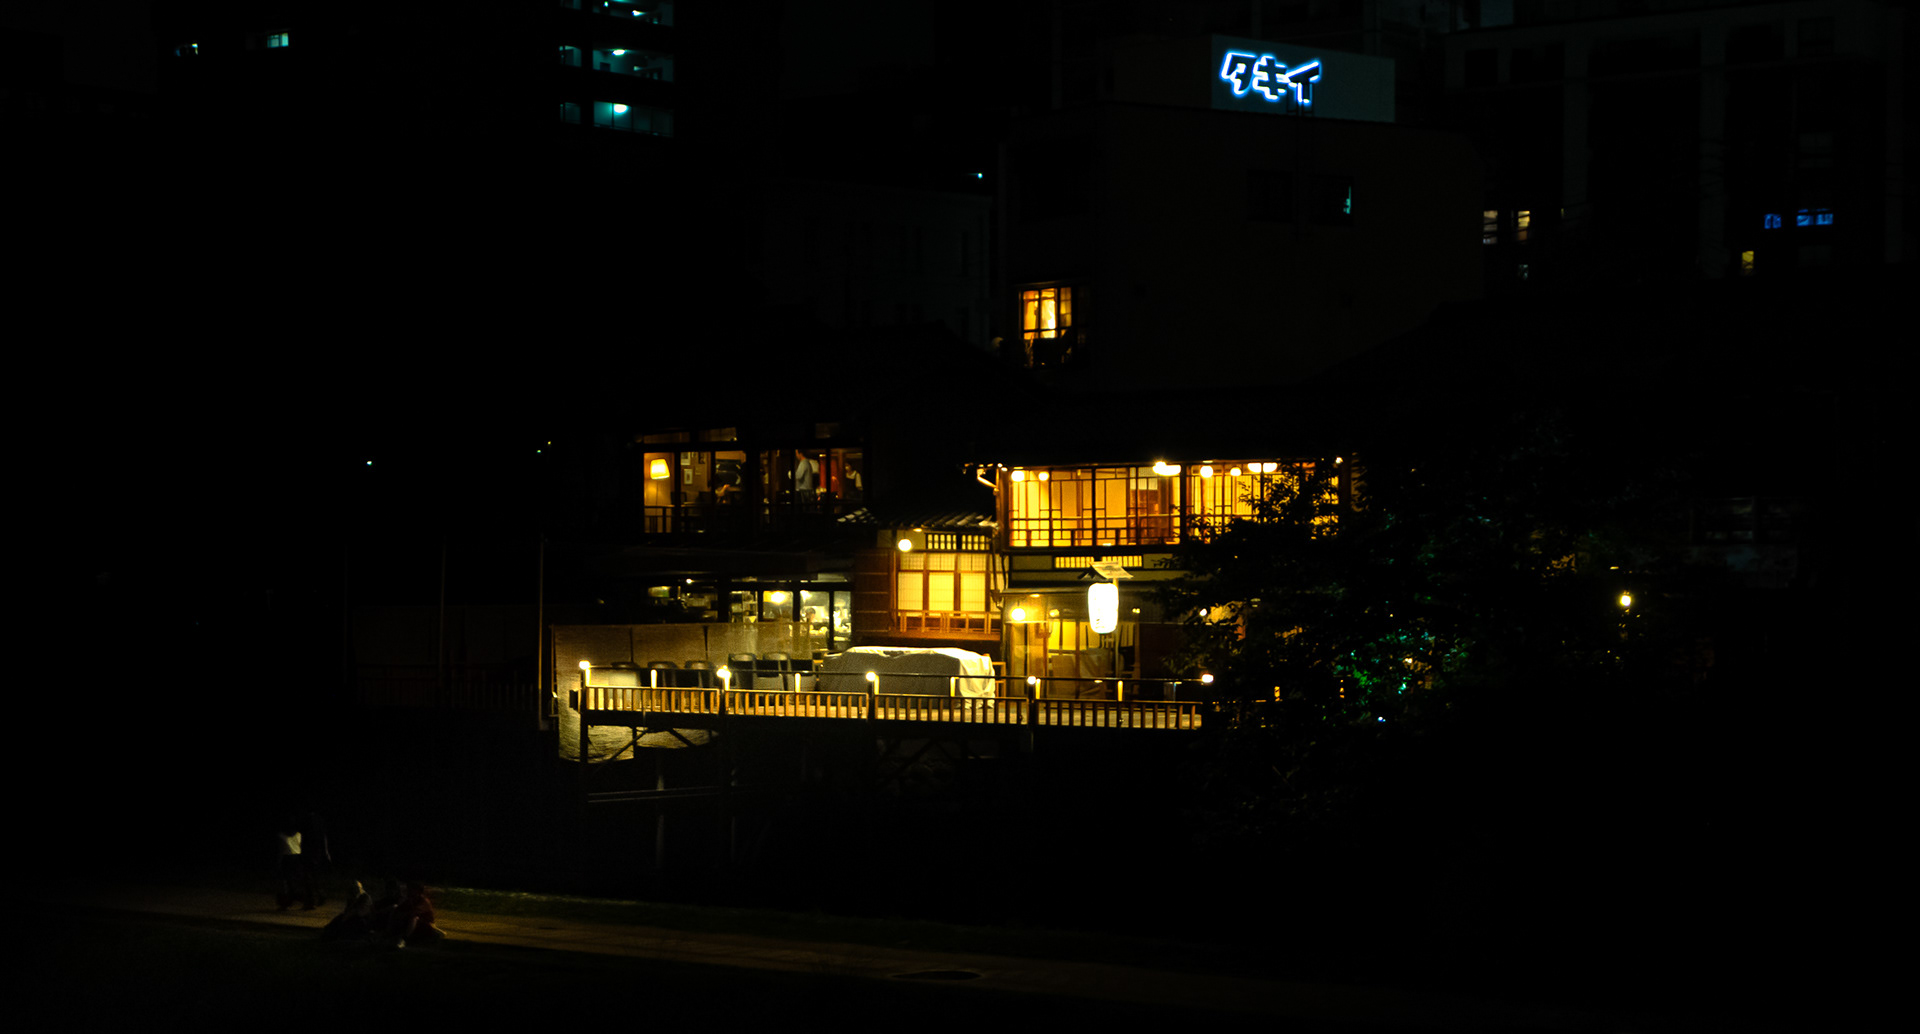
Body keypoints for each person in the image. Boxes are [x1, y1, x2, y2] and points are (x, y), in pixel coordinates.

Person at [386, 882, 445, 948]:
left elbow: (413, 913)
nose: (409, 891)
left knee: (414, 918)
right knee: (395, 910)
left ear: (418, 892)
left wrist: (402, 914)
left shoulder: (424, 901)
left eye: (411, 890)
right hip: (418, 923)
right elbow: (399, 909)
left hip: (428, 924)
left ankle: (404, 939)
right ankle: (389, 933)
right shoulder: (411, 900)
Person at [274, 821, 315, 911]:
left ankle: (287, 903)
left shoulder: (281, 835)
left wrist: (278, 863)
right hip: (297, 858)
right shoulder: (298, 834)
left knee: (288, 882)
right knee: (296, 882)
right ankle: (304, 902)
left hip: (288, 858)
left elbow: (281, 851)